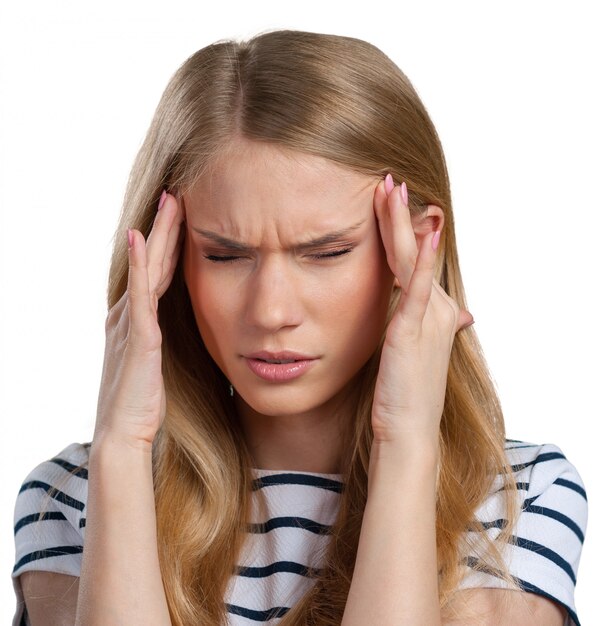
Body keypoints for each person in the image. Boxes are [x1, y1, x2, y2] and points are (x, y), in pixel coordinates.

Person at [11, 29, 587, 625]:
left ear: (413, 250)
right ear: (170, 256)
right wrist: (123, 447)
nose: (270, 311)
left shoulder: (518, 499)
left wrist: (406, 441)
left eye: (326, 252)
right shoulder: (73, 497)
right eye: (226, 255)